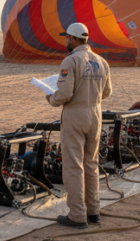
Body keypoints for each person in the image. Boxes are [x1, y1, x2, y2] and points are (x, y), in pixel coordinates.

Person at [46, 22, 112, 229]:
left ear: (73, 39)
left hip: (76, 114)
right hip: (95, 113)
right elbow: (107, 91)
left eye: (67, 38)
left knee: (73, 165)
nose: (66, 41)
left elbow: (64, 94)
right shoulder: (102, 61)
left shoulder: (71, 60)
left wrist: (51, 98)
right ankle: (94, 211)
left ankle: (77, 215)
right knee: (91, 163)